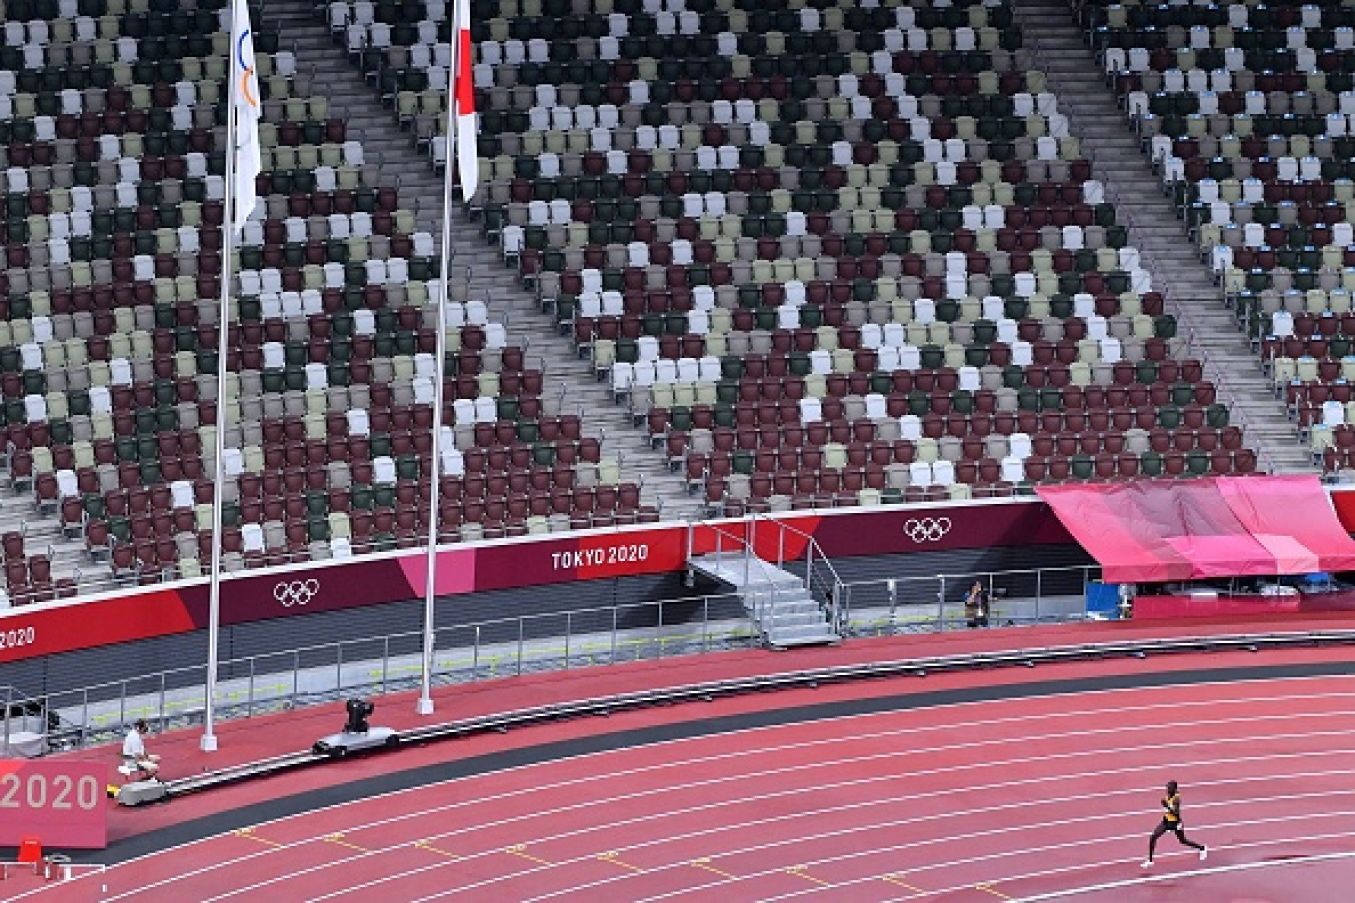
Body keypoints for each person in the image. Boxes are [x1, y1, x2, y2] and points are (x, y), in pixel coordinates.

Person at [1142, 780, 1206, 867]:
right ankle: (1150, 860)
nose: (1167, 789)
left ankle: (1202, 848)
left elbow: (1176, 813)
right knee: (1153, 837)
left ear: (1174, 789)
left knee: (1183, 841)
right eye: (1167, 788)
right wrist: (1164, 803)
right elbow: (1166, 804)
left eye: (1169, 788)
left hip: (1175, 823)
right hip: (1166, 821)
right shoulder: (1168, 795)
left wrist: (1166, 806)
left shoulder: (1176, 799)